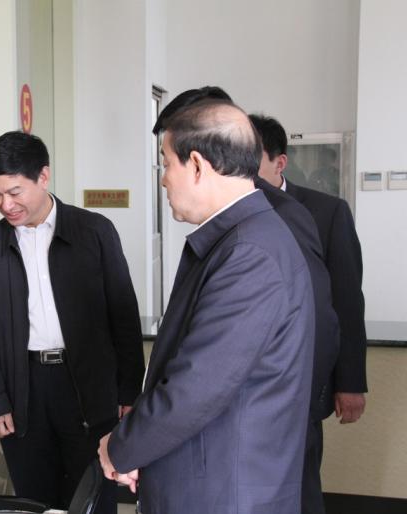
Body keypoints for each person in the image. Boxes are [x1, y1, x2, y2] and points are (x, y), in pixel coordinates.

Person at [98, 100, 315, 513]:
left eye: (166, 164)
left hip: (223, 491)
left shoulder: (249, 252)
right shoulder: (243, 237)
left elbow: (195, 387)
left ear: (197, 165)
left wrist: (120, 448)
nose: (163, 180)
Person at [0, 131, 145, 513]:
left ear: (43, 176)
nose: (5, 204)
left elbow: (124, 317)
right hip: (24, 391)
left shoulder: (94, 232)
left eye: (14, 192)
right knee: (35, 500)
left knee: (93, 497)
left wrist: (129, 391)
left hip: (88, 388)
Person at [251, 113, 367, 514]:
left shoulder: (326, 212)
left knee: (299, 487)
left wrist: (350, 382)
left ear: (279, 162)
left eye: (251, 158)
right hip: (247, 384)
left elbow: (346, 302)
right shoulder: (228, 213)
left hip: (303, 381)